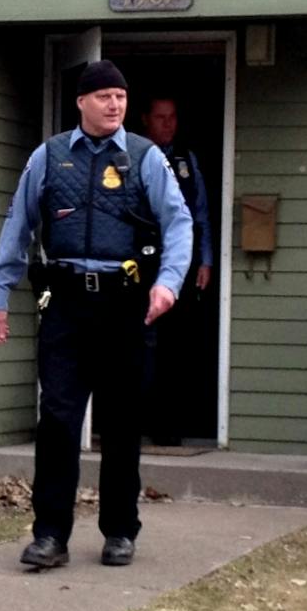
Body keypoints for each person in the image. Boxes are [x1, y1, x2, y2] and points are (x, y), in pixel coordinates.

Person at [0, 60, 193, 570]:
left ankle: (120, 531)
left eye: (121, 96)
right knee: (57, 420)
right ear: (81, 102)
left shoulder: (144, 157)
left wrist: (168, 284)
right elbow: (18, 225)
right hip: (66, 305)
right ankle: (50, 536)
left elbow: (179, 221)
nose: (114, 104)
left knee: (122, 424)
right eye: (103, 96)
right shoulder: (49, 157)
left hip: (128, 305)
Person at [140, 96, 212, 445]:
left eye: (173, 117)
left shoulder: (186, 160)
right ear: (145, 120)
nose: (168, 124)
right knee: (143, 347)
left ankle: (171, 429)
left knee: (177, 348)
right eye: (160, 118)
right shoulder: (133, 156)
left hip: (179, 267)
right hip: (139, 266)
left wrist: (206, 259)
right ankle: (137, 423)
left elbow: (199, 214)